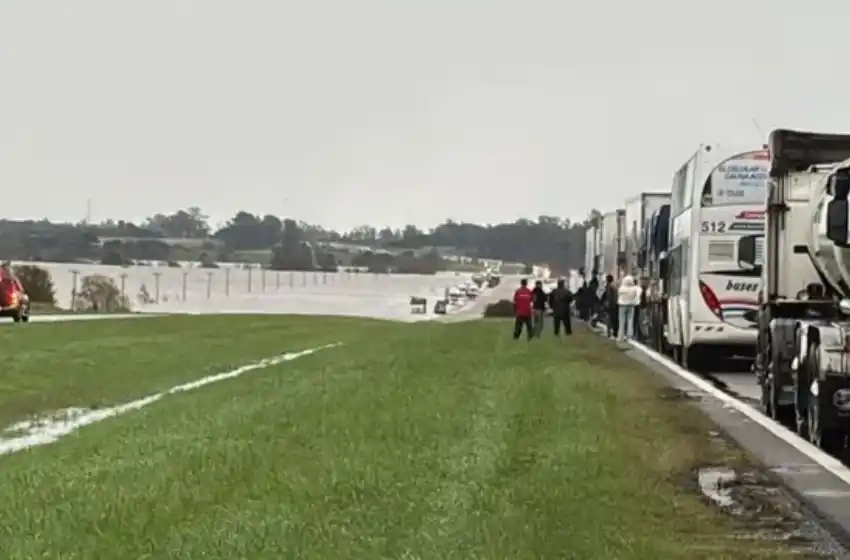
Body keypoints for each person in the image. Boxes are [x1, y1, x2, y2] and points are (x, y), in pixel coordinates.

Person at [617, 274, 642, 341]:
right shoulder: (634, 289)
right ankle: (629, 336)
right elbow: (638, 292)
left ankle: (620, 336)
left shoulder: (621, 288)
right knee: (630, 320)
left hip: (622, 306)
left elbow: (619, 293)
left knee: (622, 321)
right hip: (631, 306)